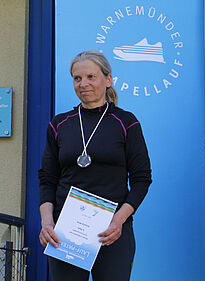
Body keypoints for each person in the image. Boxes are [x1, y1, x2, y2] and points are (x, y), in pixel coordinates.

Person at [38, 51, 152, 281]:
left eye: (91, 76)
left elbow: (142, 179)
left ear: (107, 79)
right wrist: (47, 222)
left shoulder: (126, 122)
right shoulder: (59, 124)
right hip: (65, 233)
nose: (84, 84)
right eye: (77, 78)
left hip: (111, 231)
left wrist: (118, 220)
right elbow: (47, 178)